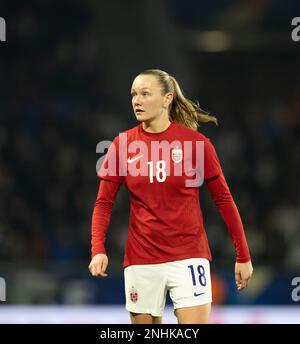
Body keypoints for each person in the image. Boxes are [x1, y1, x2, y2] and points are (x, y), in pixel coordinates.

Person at [89, 69, 253, 324]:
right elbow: (103, 202)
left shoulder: (197, 145)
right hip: (141, 260)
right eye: (133, 94)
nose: (137, 101)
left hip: (189, 256)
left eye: (145, 94)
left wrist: (243, 255)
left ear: (167, 99)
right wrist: (98, 249)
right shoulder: (122, 145)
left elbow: (224, 200)